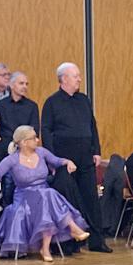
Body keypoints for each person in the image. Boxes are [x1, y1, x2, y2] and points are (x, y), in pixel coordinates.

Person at [0, 125, 91, 261]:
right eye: (33, 138)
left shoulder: (42, 152)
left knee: (46, 198)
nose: (37, 140)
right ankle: (71, 229)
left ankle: (46, 247)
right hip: (24, 197)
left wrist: (68, 162)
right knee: (48, 194)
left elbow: (57, 160)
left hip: (43, 194)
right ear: (24, 142)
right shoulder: (12, 159)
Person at [41, 62, 112, 253]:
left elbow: (92, 125)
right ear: (64, 78)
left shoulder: (84, 100)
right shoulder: (51, 102)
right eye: (76, 76)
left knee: (91, 198)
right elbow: (46, 132)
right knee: (68, 199)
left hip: (85, 156)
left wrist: (96, 150)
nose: (80, 79)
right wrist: (52, 160)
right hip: (64, 159)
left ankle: (97, 241)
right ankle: (68, 243)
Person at [0, 72, 40, 141]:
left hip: (25, 145)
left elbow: (34, 130)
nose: (25, 86)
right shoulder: (0, 105)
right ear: (11, 85)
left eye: (26, 84)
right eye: (21, 83)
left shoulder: (32, 106)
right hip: (4, 145)